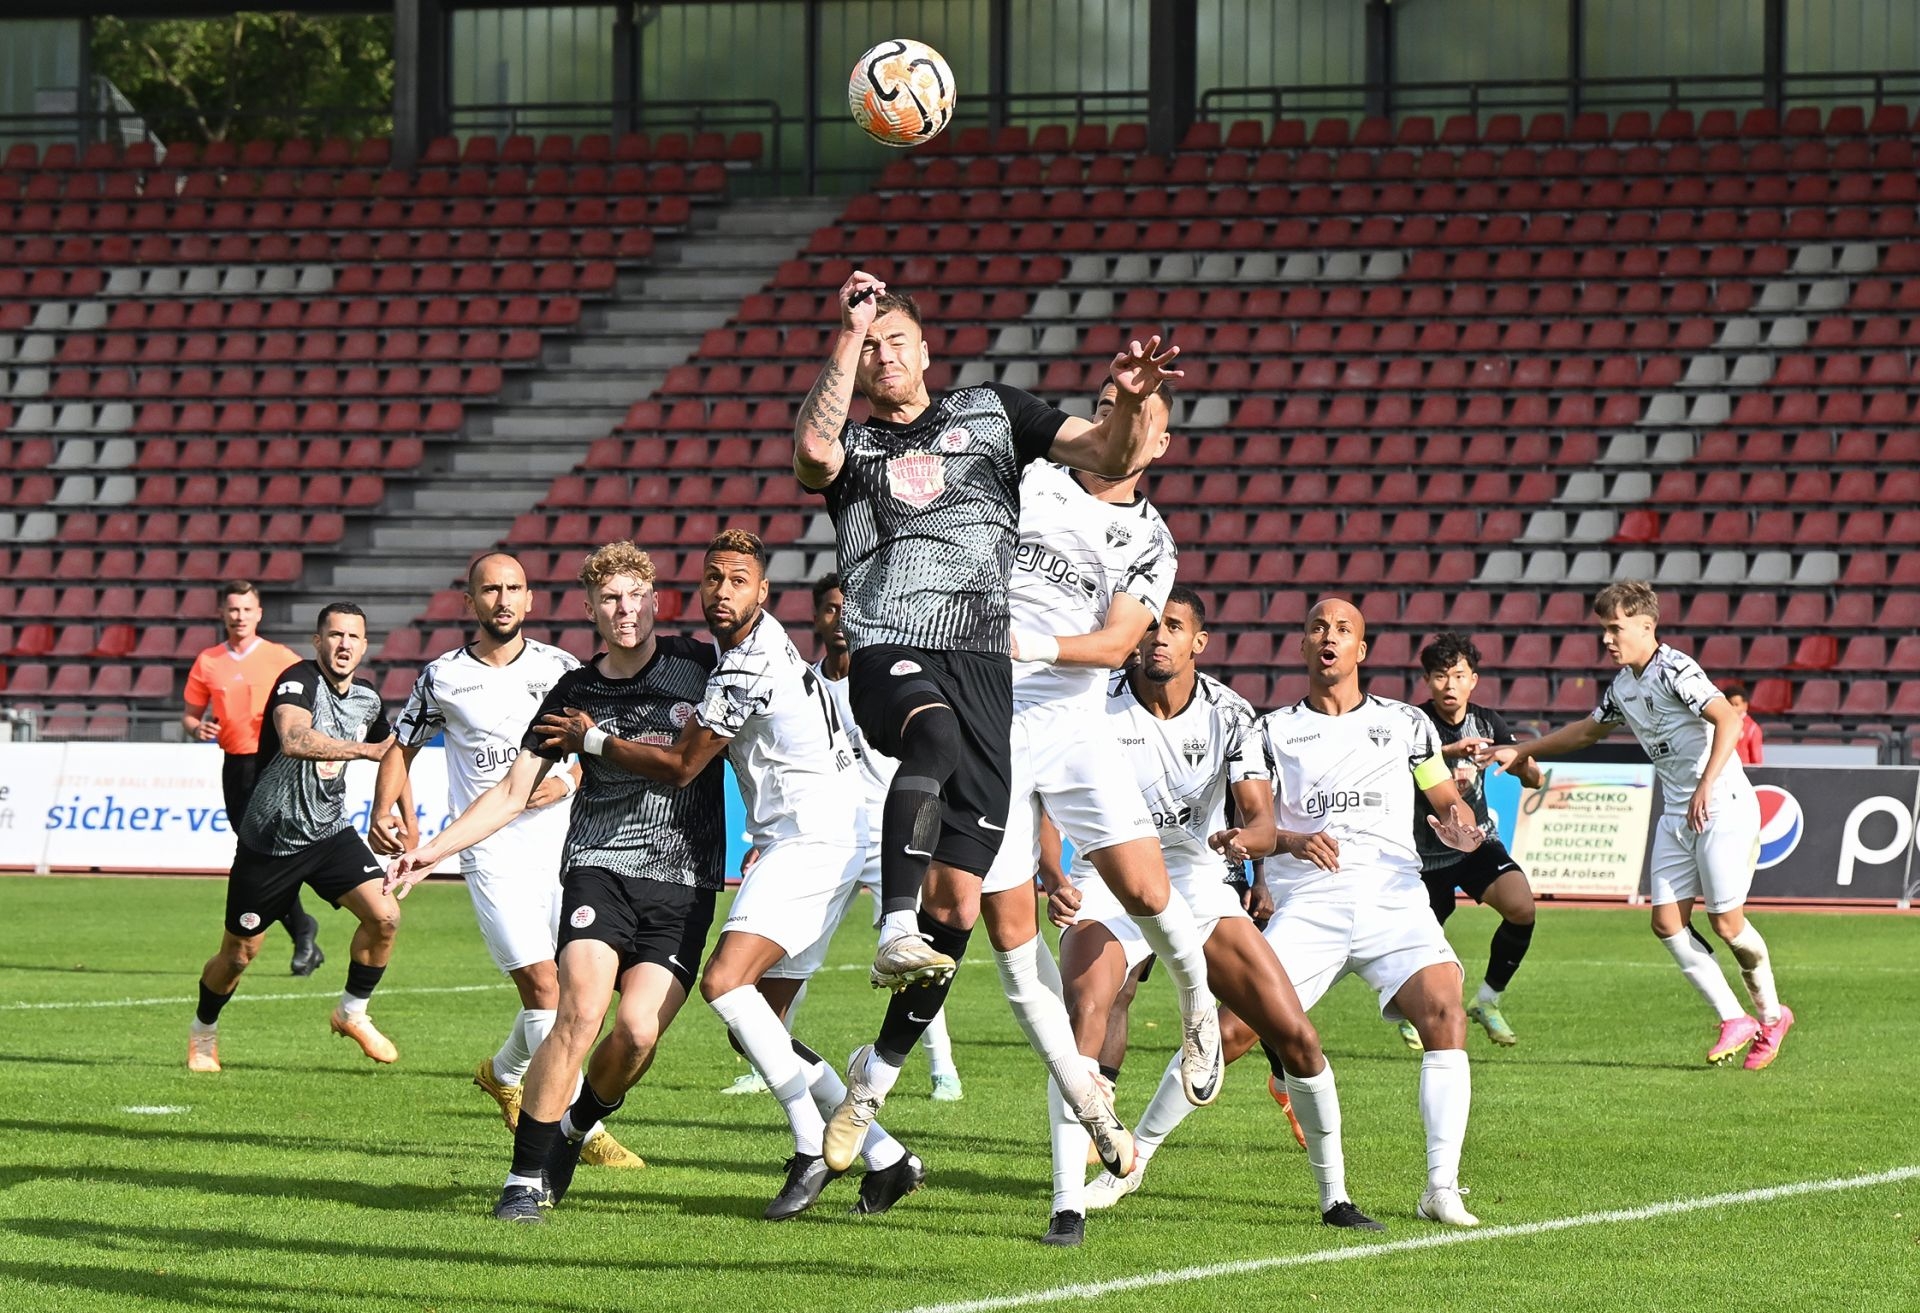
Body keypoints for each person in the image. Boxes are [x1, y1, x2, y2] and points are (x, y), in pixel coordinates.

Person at [791, 272, 1218, 1183]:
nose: (883, 354)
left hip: (1025, 696)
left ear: (929, 351)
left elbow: (1108, 450)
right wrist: (849, 330)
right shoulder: (877, 448)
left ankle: (880, 1074)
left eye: (897, 339)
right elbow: (814, 450)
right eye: (870, 345)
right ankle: (898, 934)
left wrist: (1130, 403)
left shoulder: (997, 419)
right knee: (981, 882)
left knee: (973, 911)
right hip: (908, 652)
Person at [532, 532, 926, 1221]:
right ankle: (887, 1156)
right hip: (819, 835)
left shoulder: (745, 663)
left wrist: (591, 740)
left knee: (723, 982)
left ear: (763, 591)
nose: (722, 592)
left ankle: (809, 1144)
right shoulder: (751, 647)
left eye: (739, 580)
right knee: (756, 1027)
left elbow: (683, 765)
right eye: (713, 578)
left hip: (810, 840)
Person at [1106, 599, 1491, 1228]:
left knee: (1446, 1011)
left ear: (1361, 650)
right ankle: (1131, 1162)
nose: (1328, 637)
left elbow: (1445, 797)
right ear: (1303, 646)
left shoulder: (1408, 724)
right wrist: (1276, 853)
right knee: (1230, 1032)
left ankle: (1441, 1188)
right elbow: (1257, 819)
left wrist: (1459, 824)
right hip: (1311, 902)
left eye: (1343, 629)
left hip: (1394, 898)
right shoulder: (1269, 730)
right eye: (1317, 628)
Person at [388, 542, 726, 1223]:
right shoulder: (573, 692)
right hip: (599, 867)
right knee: (576, 1012)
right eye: (610, 599)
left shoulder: (700, 665)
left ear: (656, 601)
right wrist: (431, 852)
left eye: (635, 596)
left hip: (684, 878)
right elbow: (512, 791)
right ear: (589, 609)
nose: (624, 610)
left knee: (636, 1033)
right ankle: (521, 1181)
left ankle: (574, 1127)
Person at [1055, 587, 1380, 1242]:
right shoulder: (1091, 703)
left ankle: (1336, 1197)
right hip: (1108, 876)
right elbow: (1043, 787)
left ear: (1198, 642)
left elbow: (1258, 815)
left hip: (1195, 880)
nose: (1159, 637)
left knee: (1296, 1036)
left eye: (1174, 626)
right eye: (1149, 626)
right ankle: (1067, 1205)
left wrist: (1248, 841)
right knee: (1086, 1015)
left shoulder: (1230, 714)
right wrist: (1052, 872)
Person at [368, 552, 641, 1172]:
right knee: (545, 988)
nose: (503, 599)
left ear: (530, 599)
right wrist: (384, 808)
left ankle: (503, 1072)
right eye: (490, 589)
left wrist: (565, 782)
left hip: (565, 844)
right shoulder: (442, 676)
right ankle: (584, 1129)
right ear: (470, 601)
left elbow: (594, 751)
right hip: (489, 851)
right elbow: (400, 746)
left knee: (578, 990)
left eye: (514, 587)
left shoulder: (562, 669)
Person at [1484, 581, 1793, 1070]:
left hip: (1722, 805)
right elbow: (1587, 731)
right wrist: (1523, 749)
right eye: (1603, 629)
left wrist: (1706, 784)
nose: (1607, 639)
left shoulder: (1676, 669)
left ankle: (1773, 1017)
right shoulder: (1623, 687)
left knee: (1726, 925)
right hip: (1677, 813)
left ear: (1647, 626)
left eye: (1615, 628)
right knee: (1666, 923)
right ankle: (1734, 1018)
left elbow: (1728, 721)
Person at [723, 573, 962, 1103]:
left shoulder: (889, 681)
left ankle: (941, 1067)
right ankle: (768, 1050)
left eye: (847, 609)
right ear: (815, 617)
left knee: (914, 952)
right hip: (828, 830)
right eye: (829, 609)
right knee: (792, 946)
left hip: (890, 830)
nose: (839, 620)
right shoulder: (799, 682)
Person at [186, 603, 403, 1073]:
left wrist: (392, 814)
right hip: (270, 842)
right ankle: (203, 1031)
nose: (344, 644)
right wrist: (365, 750)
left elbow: (394, 754)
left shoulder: (367, 697)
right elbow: (294, 739)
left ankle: (352, 1013)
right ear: (318, 641)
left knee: (385, 916)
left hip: (329, 833)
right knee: (239, 954)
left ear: (365, 646)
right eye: (336, 635)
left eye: (353, 637)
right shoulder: (297, 681)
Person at [1398, 632, 1545, 1049]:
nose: (1450, 685)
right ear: (1427, 680)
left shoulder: (1488, 722)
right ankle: (1412, 1012)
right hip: (1424, 853)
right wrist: (1449, 752)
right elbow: (1395, 769)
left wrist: (1518, 762)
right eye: (1440, 676)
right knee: (1419, 942)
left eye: (1459, 675)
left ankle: (1488, 1001)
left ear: (1473, 680)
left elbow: (1533, 778)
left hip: (1476, 840)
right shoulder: (1411, 723)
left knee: (1521, 907)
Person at [182, 580, 323, 976]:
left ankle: (303, 934)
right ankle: (303, 929)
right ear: (222, 614)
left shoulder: (280, 658)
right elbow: (190, 715)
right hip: (235, 766)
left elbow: (312, 699)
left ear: (258, 614)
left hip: (274, 765)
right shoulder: (208, 661)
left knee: (265, 855)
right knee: (258, 854)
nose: (239, 616)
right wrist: (197, 728)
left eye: (246, 609)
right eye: (233, 609)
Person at [1722, 681, 1765, 765]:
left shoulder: (1753, 729)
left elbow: (1756, 760)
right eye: (1729, 704)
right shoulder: (1719, 724)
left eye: (1736, 705)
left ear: (1745, 705)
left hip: (1743, 770)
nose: (1732, 708)